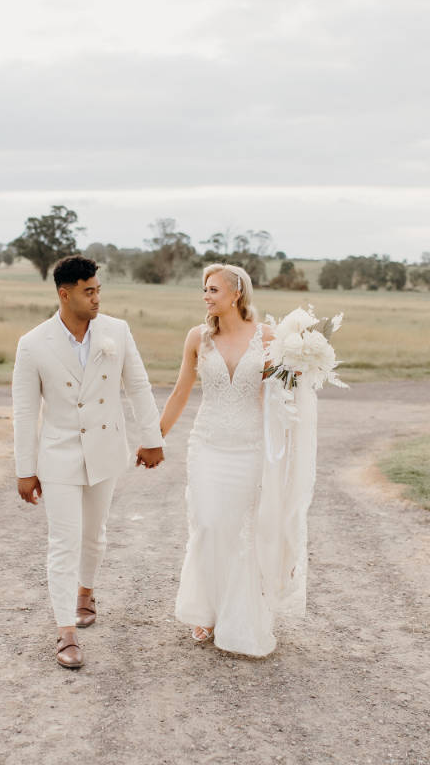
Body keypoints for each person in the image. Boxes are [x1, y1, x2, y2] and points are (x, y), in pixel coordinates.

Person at [11, 255, 164, 669]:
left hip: (105, 449)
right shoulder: (33, 343)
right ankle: (65, 633)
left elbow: (138, 385)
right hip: (58, 454)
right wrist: (25, 469)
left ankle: (85, 592)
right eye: (88, 291)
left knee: (94, 536)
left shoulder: (117, 331)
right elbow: (26, 412)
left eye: (98, 290)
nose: (97, 298)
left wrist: (151, 438)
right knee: (64, 541)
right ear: (65, 294)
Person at [158, 263, 281, 656]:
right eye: (204, 290)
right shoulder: (198, 338)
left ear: (235, 295)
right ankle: (204, 610)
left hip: (248, 447)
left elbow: (283, 391)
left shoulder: (268, 338)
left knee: (238, 529)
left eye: (212, 289)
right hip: (207, 443)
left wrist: (300, 369)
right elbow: (180, 392)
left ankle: (236, 615)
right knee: (209, 524)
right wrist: (153, 436)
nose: (206, 296)